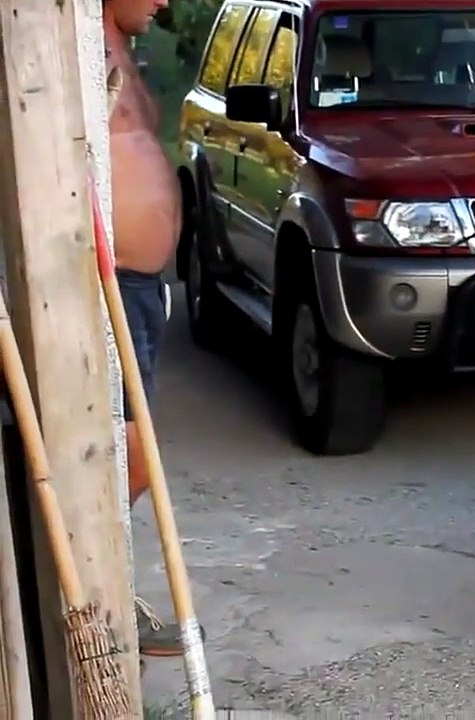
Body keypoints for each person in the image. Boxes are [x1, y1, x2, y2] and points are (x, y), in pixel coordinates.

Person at [103, 0, 205, 657]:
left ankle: (102, 589)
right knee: (122, 453)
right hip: (96, 287)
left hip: (139, 288)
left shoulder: (118, 46)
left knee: (127, 453)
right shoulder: (69, 43)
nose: (166, 0)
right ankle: (96, 594)